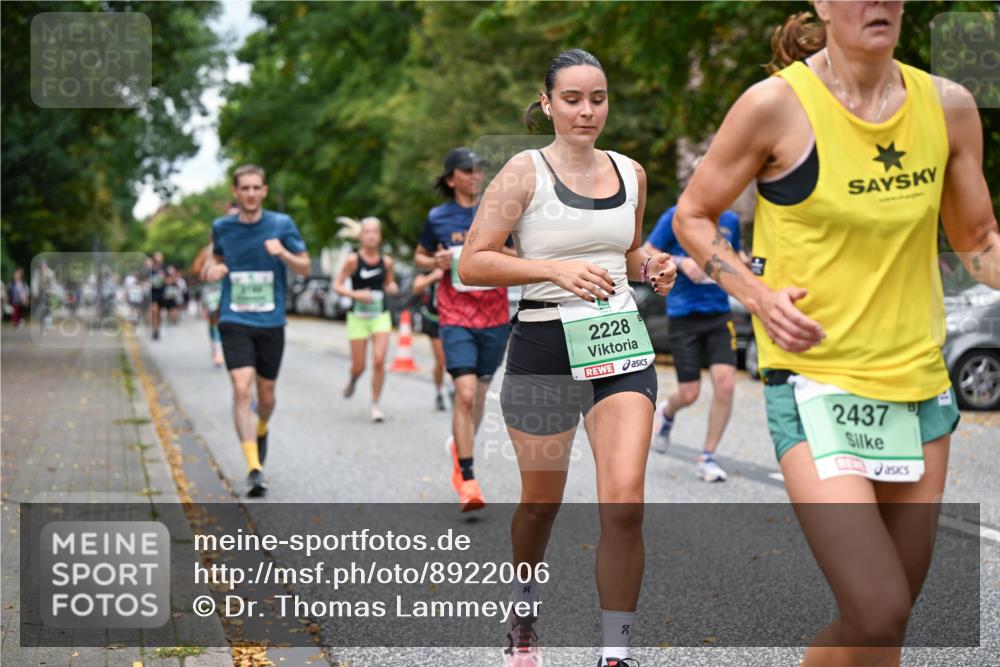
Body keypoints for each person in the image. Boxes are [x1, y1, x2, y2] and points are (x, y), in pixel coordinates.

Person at [673, 5, 999, 666]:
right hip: (816, 383)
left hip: (918, 389)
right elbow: (694, 216)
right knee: (877, 606)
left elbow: (979, 240)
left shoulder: (950, 106)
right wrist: (756, 293)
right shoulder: (775, 106)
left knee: (883, 625)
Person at [459, 48, 676, 667]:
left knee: (625, 501)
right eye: (574, 99)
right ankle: (524, 608)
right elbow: (475, 261)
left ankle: (616, 653)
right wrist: (552, 269)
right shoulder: (523, 173)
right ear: (548, 103)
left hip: (619, 345)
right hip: (544, 346)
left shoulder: (631, 173)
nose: (587, 111)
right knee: (539, 503)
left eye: (598, 98)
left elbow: (628, 251)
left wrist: (652, 267)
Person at [415, 147, 513, 512]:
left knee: (479, 397)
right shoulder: (438, 217)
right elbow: (421, 255)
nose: (476, 176)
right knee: (466, 393)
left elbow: (521, 254)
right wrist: (436, 260)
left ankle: (462, 444)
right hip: (455, 315)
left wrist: (498, 255)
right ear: (451, 178)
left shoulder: (499, 211)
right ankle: (468, 477)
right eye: (468, 170)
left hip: (494, 318)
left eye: (479, 170)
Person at [204, 165, 310, 497]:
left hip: (271, 322)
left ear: (264, 191)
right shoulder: (222, 227)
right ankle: (253, 467)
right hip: (234, 318)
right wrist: (214, 270)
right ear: (235, 193)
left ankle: (261, 428)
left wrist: (284, 254)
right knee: (241, 388)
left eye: (256, 188)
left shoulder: (281, 224)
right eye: (244, 188)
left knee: (266, 396)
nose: (250, 194)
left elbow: (305, 266)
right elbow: (211, 262)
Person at [643, 204, 746, 481]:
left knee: (725, 383)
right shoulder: (675, 215)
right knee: (690, 393)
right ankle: (666, 412)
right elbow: (647, 250)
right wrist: (680, 262)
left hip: (719, 314)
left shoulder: (730, 220)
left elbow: (735, 256)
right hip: (683, 315)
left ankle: (708, 457)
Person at [333, 216, 400, 423]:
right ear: (361, 236)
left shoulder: (386, 261)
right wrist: (356, 295)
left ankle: (375, 404)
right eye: (367, 231)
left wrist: (392, 288)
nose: (371, 235)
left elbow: (390, 283)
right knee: (359, 365)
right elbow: (337, 285)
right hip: (358, 317)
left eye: (375, 231)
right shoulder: (353, 260)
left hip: (380, 316)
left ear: (379, 236)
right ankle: (354, 377)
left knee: (379, 360)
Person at [194, 201, 240, 367]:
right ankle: (217, 349)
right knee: (215, 319)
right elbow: (197, 270)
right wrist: (209, 272)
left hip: (235, 287)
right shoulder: (208, 250)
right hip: (213, 288)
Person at [412, 267, 449, 411]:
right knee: (441, 359)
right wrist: (433, 276)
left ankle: (453, 386)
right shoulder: (430, 266)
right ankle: (439, 391)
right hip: (435, 319)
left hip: (456, 318)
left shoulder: (458, 263)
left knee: (456, 357)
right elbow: (416, 287)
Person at [148, 252, 167, 340]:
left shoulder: (164, 268)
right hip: (153, 293)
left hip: (162, 293)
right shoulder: (150, 268)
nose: (159, 259)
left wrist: (164, 279)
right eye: (157, 257)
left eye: (160, 257)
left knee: (159, 313)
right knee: (154, 311)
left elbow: (170, 279)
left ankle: (157, 330)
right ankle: (153, 329)